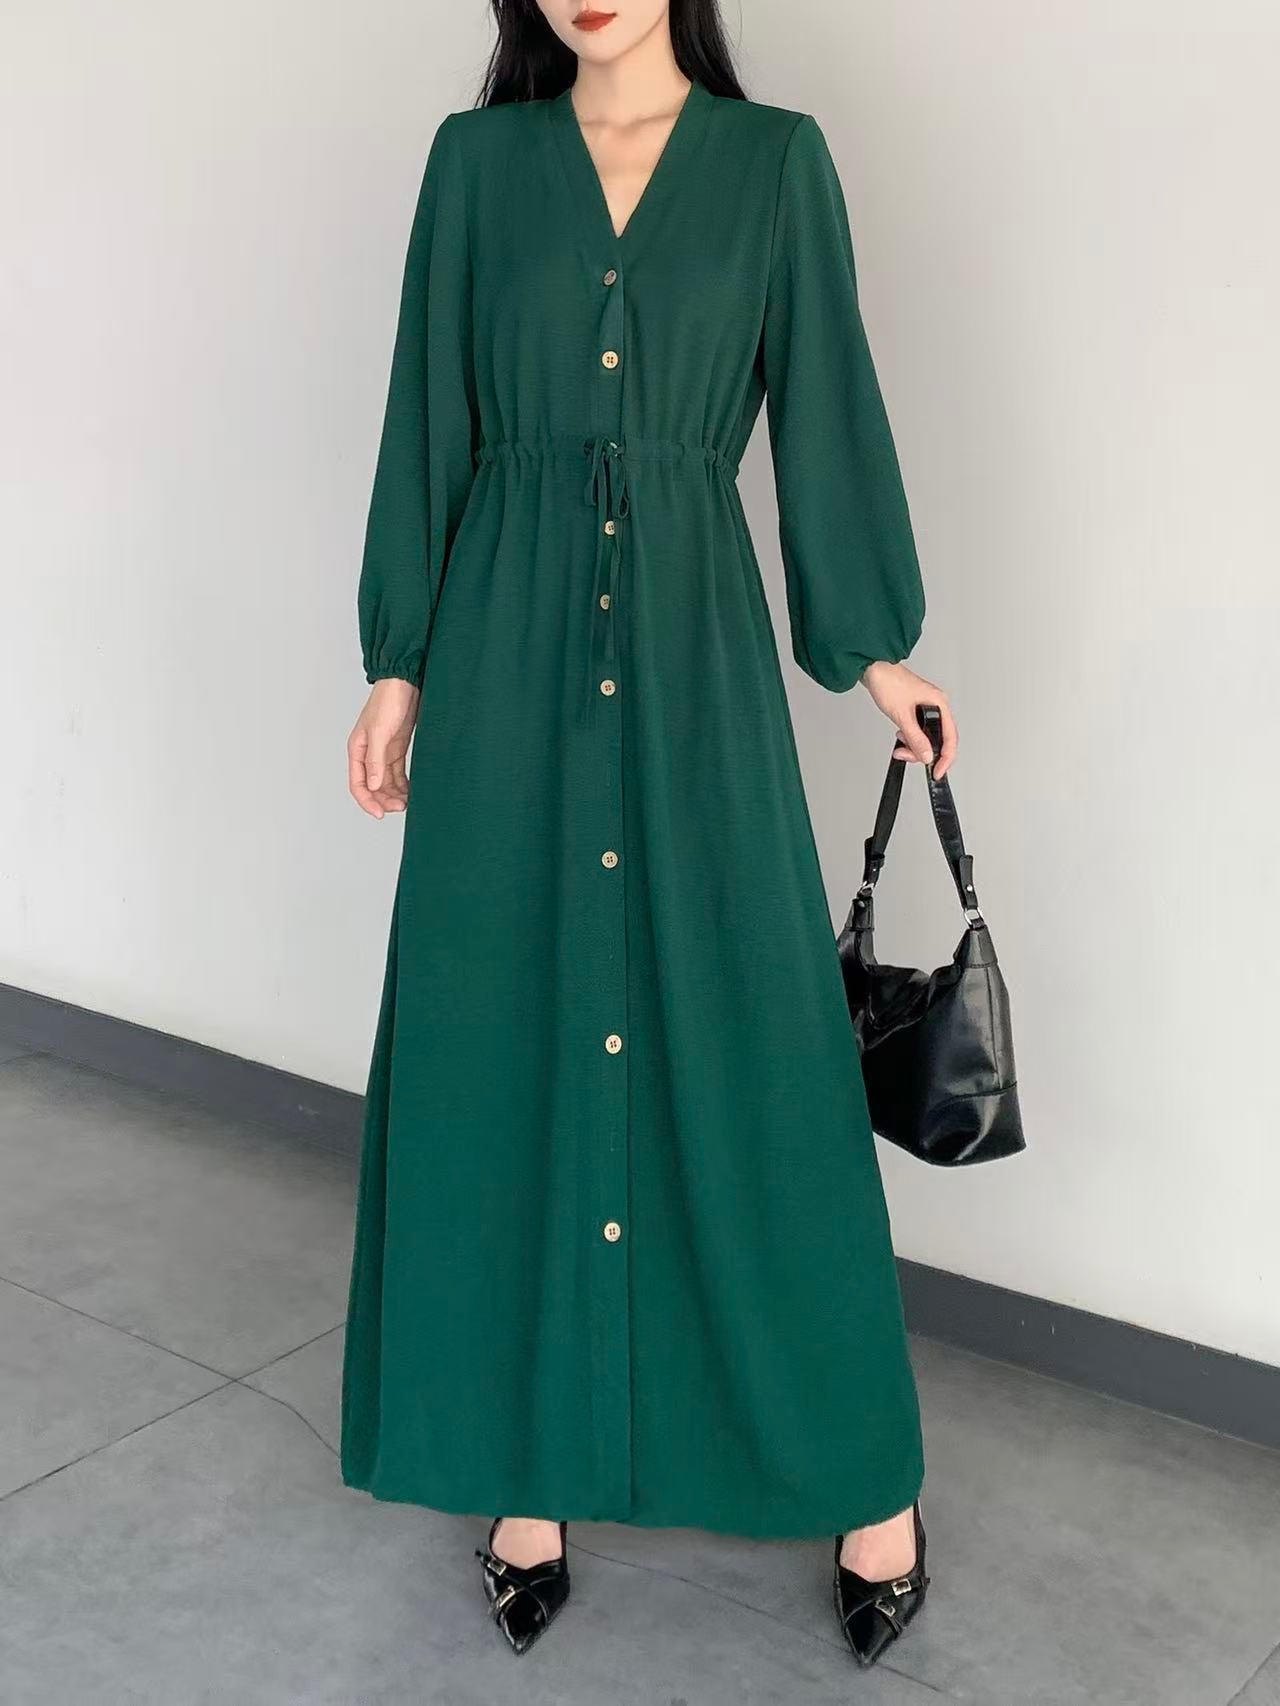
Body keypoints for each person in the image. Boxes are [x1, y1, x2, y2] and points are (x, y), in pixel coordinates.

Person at [340, 0, 958, 1669]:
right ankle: (526, 1471)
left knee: (763, 1065)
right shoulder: (477, 170)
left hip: (696, 671)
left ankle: (868, 1482)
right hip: (504, 668)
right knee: (507, 1052)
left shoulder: (774, 167)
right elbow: (428, 418)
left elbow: (823, 410)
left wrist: (876, 652)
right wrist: (399, 662)